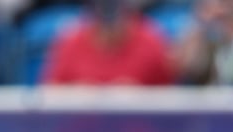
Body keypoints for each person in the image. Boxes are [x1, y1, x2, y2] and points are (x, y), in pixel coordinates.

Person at [41, 0, 176, 85]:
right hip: (83, 128)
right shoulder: (69, 42)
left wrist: (139, 98)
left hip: (135, 128)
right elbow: (50, 96)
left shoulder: (151, 40)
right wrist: (76, 96)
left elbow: (169, 100)